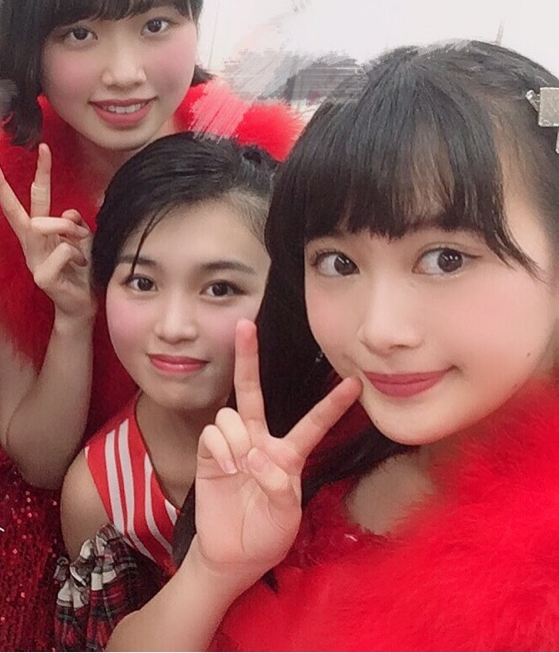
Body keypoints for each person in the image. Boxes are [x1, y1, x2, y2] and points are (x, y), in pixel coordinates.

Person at [0, 0, 301, 649]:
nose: (124, 71)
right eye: (80, 34)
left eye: (156, 25)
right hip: (70, 515)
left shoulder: (258, 171)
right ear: (30, 40)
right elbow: (37, 457)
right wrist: (73, 316)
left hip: (244, 483)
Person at [108, 40, 559, 650]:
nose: (379, 330)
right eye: (339, 262)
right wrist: (212, 574)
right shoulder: (315, 443)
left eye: (445, 259)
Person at [54, 133, 276, 650]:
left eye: (220, 288)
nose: (174, 327)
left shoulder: (343, 445)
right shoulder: (99, 493)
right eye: (142, 282)